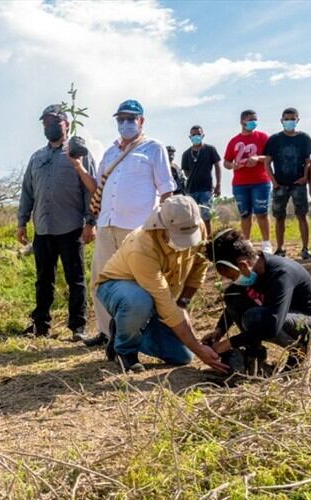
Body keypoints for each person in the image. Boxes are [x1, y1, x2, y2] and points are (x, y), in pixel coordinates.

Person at [95, 196, 228, 373]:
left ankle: (124, 329)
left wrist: (183, 303)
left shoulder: (196, 227)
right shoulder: (142, 245)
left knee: (182, 357)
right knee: (138, 301)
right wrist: (198, 348)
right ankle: (125, 351)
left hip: (157, 296)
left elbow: (199, 267)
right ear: (163, 226)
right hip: (118, 286)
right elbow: (163, 301)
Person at [81, 99, 176, 348]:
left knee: (136, 283)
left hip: (136, 228)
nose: (125, 123)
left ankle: (135, 335)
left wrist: (165, 226)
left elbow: (166, 190)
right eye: (120, 119)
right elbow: (97, 187)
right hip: (106, 224)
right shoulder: (111, 152)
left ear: (141, 121)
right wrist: (78, 167)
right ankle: (106, 332)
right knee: (101, 279)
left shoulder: (154, 149)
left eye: (130, 119)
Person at [17, 104, 97, 340]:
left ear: (66, 125)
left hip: (71, 227)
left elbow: (89, 191)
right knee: (43, 279)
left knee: (76, 280)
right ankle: (40, 325)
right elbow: (27, 192)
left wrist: (90, 222)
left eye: (55, 122)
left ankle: (78, 328)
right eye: (46, 123)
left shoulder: (79, 154)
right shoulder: (37, 157)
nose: (50, 127)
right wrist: (22, 222)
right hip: (43, 228)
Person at [202, 229, 311, 372]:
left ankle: (298, 352)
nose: (233, 280)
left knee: (256, 318)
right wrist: (219, 331)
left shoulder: (281, 274)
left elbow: (272, 326)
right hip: (280, 315)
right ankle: (255, 359)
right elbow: (233, 302)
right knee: (232, 294)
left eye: (232, 276)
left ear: (243, 265)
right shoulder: (255, 267)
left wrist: (229, 343)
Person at [264, 107, 311, 259]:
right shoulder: (274, 140)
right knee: (279, 216)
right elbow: (267, 162)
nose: (289, 122)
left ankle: (306, 248)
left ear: (297, 120)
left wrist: (305, 178)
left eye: (292, 119)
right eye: (286, 119)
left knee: (302, 215)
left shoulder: (304, 138)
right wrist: (273, 182)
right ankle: (280, 248)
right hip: (280, 184)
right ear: (281, 120)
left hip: (298, 183)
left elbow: (309, 161)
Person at [224, 110, 272, 253]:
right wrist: (233, 165)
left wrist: (258, 159)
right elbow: (226, 162)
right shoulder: (233, 141)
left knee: (261, 213)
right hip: (240, 183)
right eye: (250, 119)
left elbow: (271, 156)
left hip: (261, 181)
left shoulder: (263, 137)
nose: (253, 122)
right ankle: (247, 243)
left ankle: (266, 243)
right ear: (242, 122)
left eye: (255, 119)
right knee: (245, 215)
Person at [181, 125, 222, 236]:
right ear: (190, 137)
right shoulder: (186, 154)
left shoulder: (210, 149)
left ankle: (208, 240)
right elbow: (185, 171)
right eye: (193, 135)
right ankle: (195, 240)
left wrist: (218, 184)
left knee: (206, 216)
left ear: (202, 135)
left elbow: (217, 165)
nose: (196, 136)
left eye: (198, 134)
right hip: (191, 189)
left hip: (206, 189)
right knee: (192, 217)